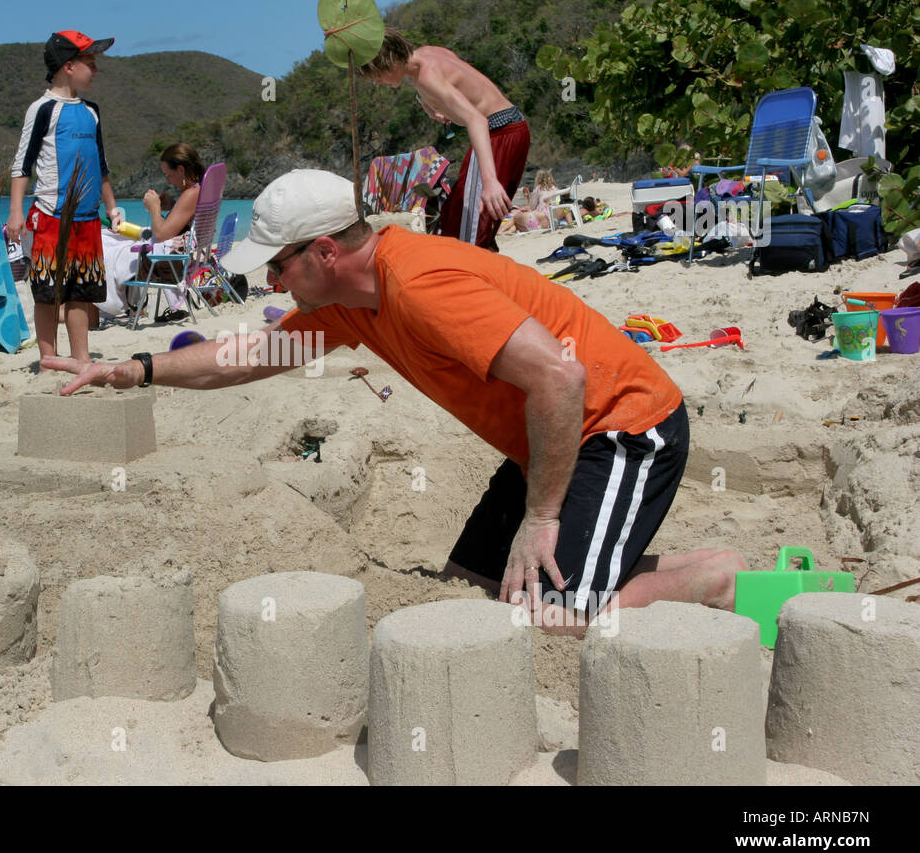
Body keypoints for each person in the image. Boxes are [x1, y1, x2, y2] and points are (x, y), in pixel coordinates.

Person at [46, 170, 747, 632]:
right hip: (547, 439)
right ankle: (638, 564)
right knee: (467, 591)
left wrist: (543, 515)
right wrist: (135, 369)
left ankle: (712, 582)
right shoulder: (351, 301)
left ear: (324, 252)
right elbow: (251, 356)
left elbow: (561, 380)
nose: (270, 283)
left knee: (551, 619)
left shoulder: (420, 283)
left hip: (620, 427)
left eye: (277, 265)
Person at [6, 29, 121, 367]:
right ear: (69, 66)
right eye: (90, 62)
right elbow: (21, 164)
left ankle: (81, 357)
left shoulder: (92, 111)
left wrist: (111, 205)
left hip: (87, 218)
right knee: (47, 292)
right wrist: (15, 212)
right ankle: (48, 358)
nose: (96, 70)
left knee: (80, 292)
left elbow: (101, 164)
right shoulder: (42, 109)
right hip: (50, 214)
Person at [360, 27, 530, 253]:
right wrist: (440, 110)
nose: (378, 82)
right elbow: (467, 92)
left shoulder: (426, 76)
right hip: (512, 126)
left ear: (390, 61)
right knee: (458, 216)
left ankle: (478, 279)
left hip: (499, 133)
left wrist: (489, 181)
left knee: (468, 233)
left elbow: (477, 119)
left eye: (377, 75)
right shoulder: (428, 53)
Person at [133, 142, 205, 322]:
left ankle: (130, 307)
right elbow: (185, 219)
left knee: (116, 251)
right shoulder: (197, 189)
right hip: (190, 254)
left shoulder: (191, 194)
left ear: (181, 170)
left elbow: (161, 235)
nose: (168, 181)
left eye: (169, 175)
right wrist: (173, 206)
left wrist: (155, 208)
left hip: (175, 261)